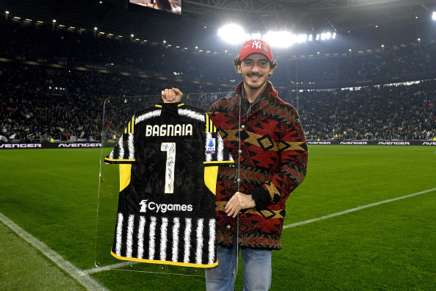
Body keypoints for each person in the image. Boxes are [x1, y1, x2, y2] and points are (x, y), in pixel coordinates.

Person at [162, 39, 308, 291]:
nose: (255, 69)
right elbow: (191, 148)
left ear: (272, 68)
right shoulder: (219, 110)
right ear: (238, 66)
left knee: (257, 288)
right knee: (216, 287)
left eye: (262, 63)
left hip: (261, 220)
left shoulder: (286, 113)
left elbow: (295, 167)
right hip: (219, 216)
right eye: (248, 62)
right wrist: (175, 111)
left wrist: (256, 197)